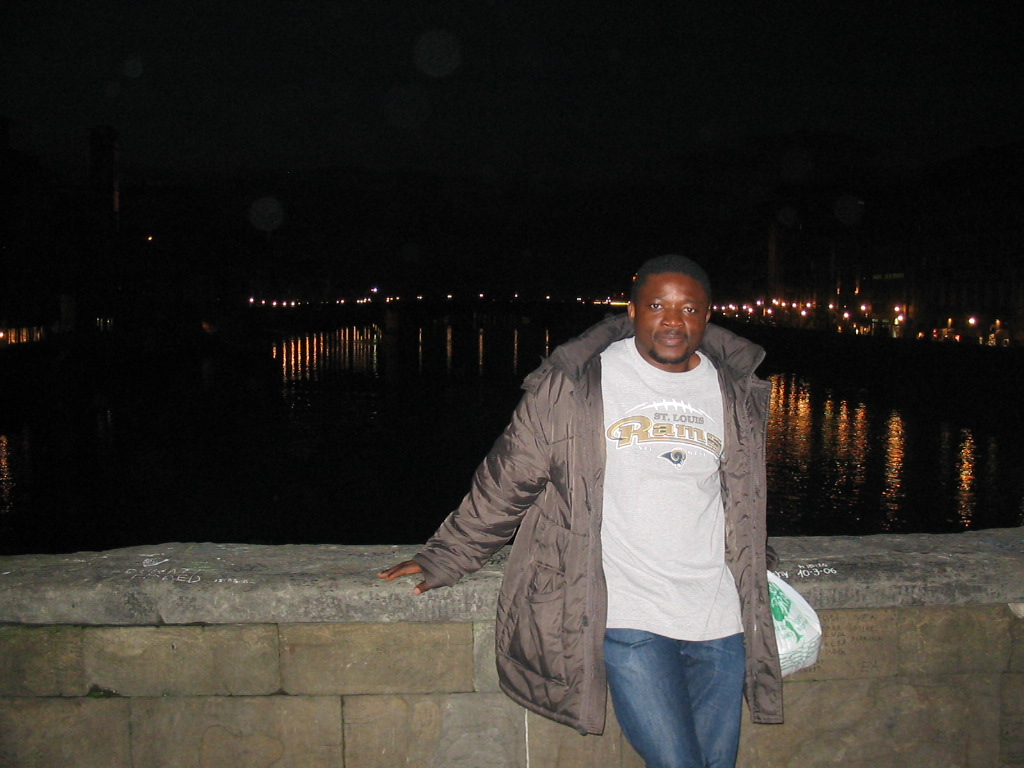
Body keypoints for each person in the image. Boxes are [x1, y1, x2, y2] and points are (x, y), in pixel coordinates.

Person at [379, 254, 783, 768]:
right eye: (657, 305)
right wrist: (448, 554)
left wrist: (755, 555)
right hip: (628, 614)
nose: (673, 321)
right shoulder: (575, 384)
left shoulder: (733, 391)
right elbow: (510, 477)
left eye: (689, 308)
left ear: (708, 315)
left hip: (718, 615)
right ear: (632, 310)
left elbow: (737, 495)